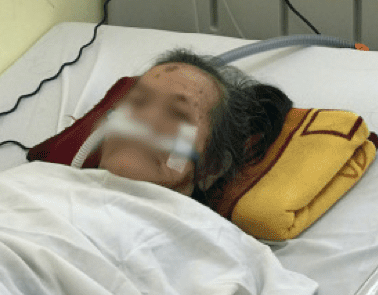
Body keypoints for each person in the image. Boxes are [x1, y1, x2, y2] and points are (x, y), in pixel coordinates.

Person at [97, 48, 292, 202]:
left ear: (213, 168)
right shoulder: (75, 192)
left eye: (177, 114)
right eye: (137, 102)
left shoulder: (207, 238)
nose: (145, 118)